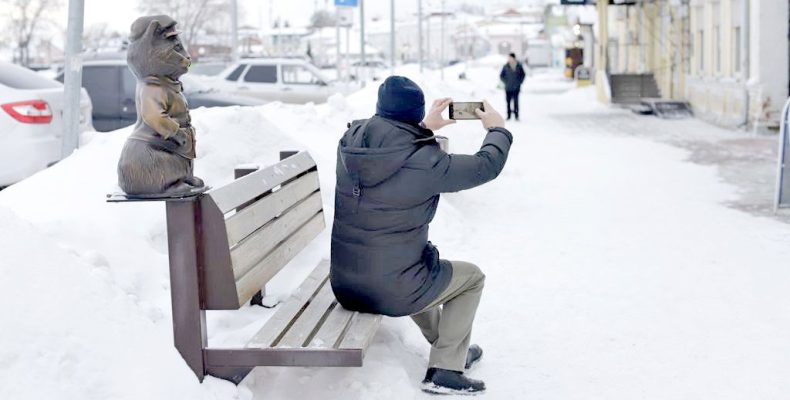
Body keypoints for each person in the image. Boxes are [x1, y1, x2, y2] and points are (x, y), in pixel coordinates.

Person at [330, 76, 513, 395]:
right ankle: (446, 369)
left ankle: (450, 348)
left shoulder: (350, 144)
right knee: (471, 279)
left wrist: (423, 128)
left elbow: (391, 153)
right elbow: (485, 166)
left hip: (346, 284)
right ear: (414, 113)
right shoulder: (427, 162)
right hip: (389, 289)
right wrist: (497, 129)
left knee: (416, 268)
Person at [499, 52, 526, 121]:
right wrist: (506, 81)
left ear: (513, 58)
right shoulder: (506, 66)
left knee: (516, 102)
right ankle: (509, 116)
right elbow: (501, 75)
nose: (509, 59)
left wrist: (520, 82)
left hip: (516, 87)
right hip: (508, 88)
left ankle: (516, 116)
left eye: (510, 57)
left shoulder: (519, 65)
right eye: (508, 58)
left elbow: (523, 74)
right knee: (508, 102)